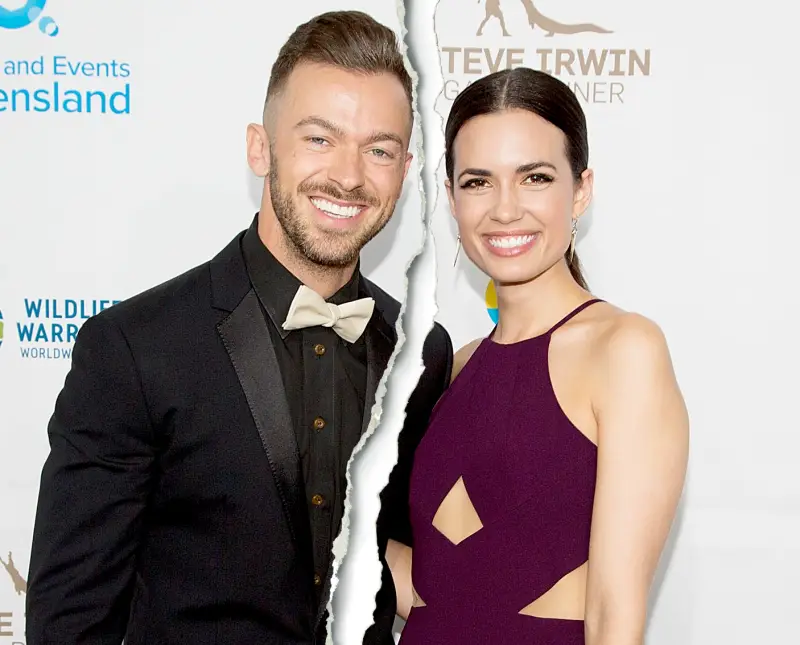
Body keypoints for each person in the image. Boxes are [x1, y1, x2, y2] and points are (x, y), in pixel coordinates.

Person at [25, 11, 452, 645]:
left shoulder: (423, 351)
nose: (349, 175)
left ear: (406, 168)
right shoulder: (136, 349)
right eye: (319, 138)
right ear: (261, 148)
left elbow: (405, 555)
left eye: (380, 150)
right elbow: (71, 622)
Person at [386, 67, 690, 644]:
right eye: (478, 182)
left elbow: (613, 617)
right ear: (451, 199)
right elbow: (438, 590)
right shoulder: (455, 366)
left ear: (581, 189)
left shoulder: (624, 350)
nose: (505, 209)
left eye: (535, 178)